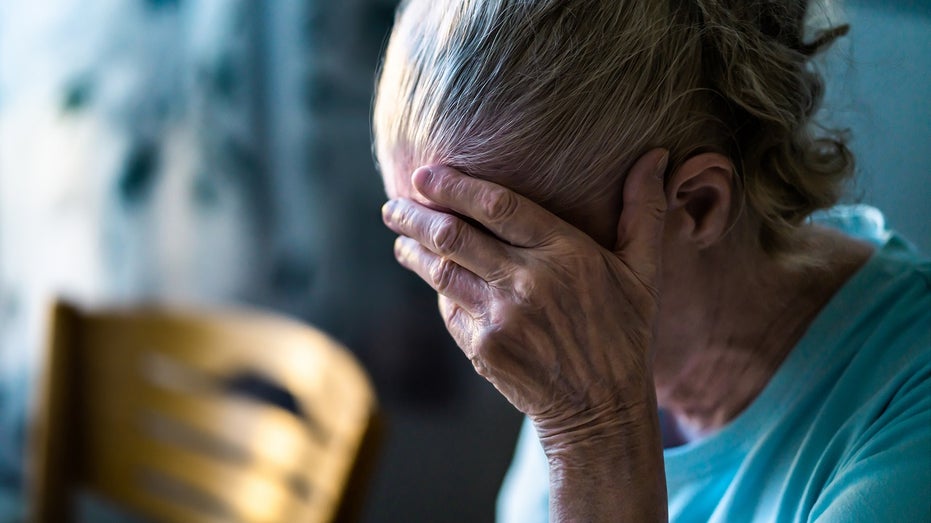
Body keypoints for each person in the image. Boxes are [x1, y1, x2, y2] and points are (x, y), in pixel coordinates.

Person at [373, 0, 930, 521]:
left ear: (697, 205)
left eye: (495, 258)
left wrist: (596, 434)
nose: (485, 328)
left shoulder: (905, 420)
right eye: (444, 258)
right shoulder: (557, 327)